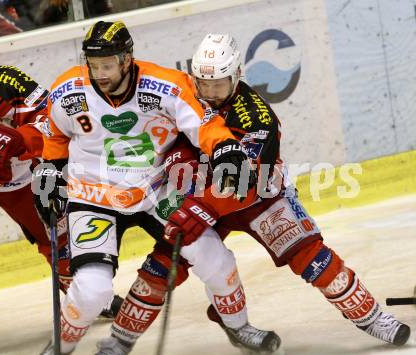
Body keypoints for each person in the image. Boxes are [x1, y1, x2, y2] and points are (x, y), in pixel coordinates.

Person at [95, 33, 411, 354]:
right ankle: (119, 340)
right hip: (202, 195)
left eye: (219, 85)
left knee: (310, 255)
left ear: (237, 75)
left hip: (260, 197)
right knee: (163, 263)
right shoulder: (186, 98)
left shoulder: (257, 117)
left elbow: (245, 180)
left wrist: (200, 207)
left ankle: (372, 317)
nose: (211, 94)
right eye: (204, 85)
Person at [36, 20, 281, 355]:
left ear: (127, 59)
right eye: (93, 65)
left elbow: (204, 125)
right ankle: (59, 349)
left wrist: (225, 147)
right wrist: (51, 167)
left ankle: (240, 329)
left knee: (217, 261)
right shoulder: (68, 89)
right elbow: (55, 134)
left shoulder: (167, 85)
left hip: (155, 191)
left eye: (107, 65)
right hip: (91, 196)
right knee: (92, 290)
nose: (100, 73)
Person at [0, 46, 120, 350]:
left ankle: (90, 297)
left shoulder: (5, 81)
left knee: (58, 243)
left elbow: (51, 119)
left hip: (21, 179)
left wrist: (19, 137)